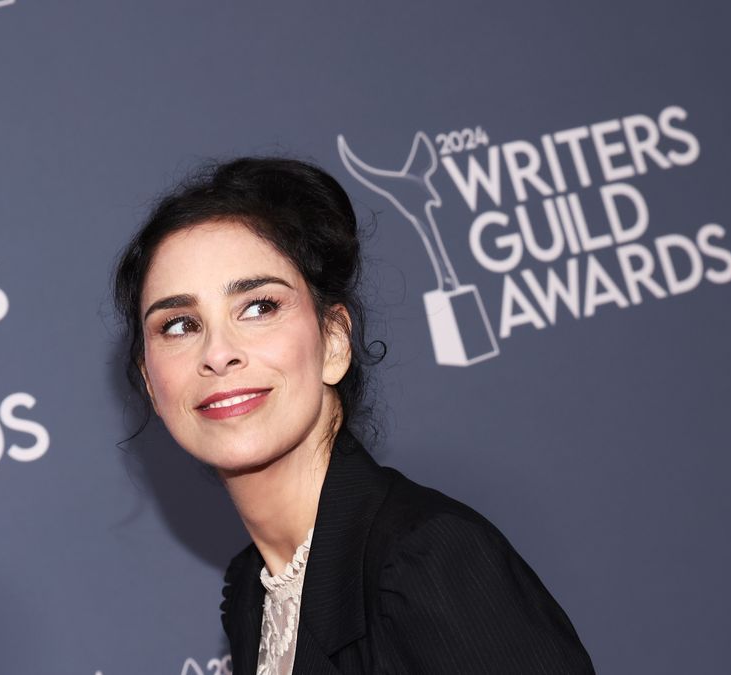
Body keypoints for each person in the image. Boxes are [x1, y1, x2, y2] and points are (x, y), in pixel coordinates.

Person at [112, 157, 594, 674]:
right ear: (150, 381)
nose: (218, 352)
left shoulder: (425, 560)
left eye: (258, 307)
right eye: (180, 325)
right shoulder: (255, 594)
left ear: (335, 342)